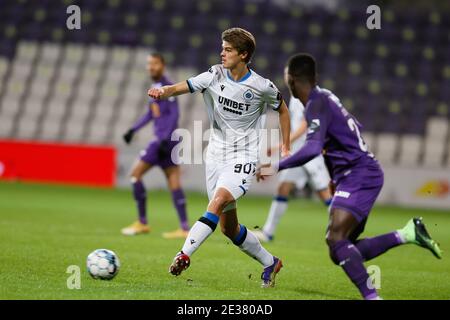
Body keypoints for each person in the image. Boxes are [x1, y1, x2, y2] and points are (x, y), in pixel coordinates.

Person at [257, 53, 442, 299]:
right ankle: (408, 233)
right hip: (354, 174)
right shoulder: (323, 98)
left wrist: (275, 166)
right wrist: (335, 174)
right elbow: (344, 134)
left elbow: (313, 148)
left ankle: (372, 297)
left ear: (290, 79)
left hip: (360, 174)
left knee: (335, 238)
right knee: (341, 248)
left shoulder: (317, 103)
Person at [148, 28, 291, 287]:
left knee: (218, 200)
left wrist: (286, 144)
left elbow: (283, 109)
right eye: (222, 48)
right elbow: (186, 85)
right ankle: (271, 262)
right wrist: (165, 90)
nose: (221, 53)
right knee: (228, 228)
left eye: (228, 50)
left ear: (243, 54)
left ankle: (184, 254)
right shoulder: (214, 74)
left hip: (244, 156)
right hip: (215, 156)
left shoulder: (262, 86)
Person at [254, 69, 332, 243]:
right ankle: (268, 232)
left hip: (309, 151)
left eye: (287, 73)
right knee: (283, 188)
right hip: (297, 152)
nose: (285, 76)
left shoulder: (308, 95)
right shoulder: (295, 95)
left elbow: (305, 125)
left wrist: (281, 145)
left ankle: (345, 228)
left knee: (324, 193)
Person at [121, 53, 190, 239]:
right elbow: (151, 114)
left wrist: (162, 140)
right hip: (168, 140)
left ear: (163, 65)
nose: (151, 67)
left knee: (135, 175)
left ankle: (142, 222)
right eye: (149, 64)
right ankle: (184, 227)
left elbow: (174, 116)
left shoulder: (168, 88)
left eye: (155, 64)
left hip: (163, 140)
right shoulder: (155, 87)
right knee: (174, 182)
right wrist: (133, 129)